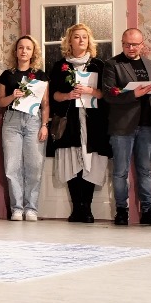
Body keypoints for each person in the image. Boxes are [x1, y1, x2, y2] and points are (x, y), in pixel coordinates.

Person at [100, 29, 151, 226]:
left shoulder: (150, 64)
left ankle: (148, 211)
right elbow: (108, 95)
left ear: (142, 45)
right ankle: (122, 211)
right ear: (122, 44)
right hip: (122, 126)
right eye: (127, 44)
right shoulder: (112, 64)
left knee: (145, 170)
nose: (130, 48)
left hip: (148, 125)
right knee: (120, 172)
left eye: (134, 44)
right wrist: (133, 94)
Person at [48, 24, 111, 222]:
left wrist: (90, 91)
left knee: (91, 164)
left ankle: (87, 209)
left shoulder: (98, 65)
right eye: (76, 37)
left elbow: (107, 94)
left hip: (93, 123)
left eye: (84, 36)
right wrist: (68, 95)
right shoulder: (60, 66)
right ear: (70, 41)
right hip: (70, 122)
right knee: (72, 163)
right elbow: (53, 95)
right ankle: (77, 209)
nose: (81, 40)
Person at [0, 36, 49, 221]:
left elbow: (45, 104)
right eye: (21, 48)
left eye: (28, 48)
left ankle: (31, 208)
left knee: (35, 165)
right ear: (16, 51)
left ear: (33, 52)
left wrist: (44, 125)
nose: (24, 51)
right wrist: (13, 96)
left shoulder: (40, 75)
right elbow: (1, 102)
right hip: (12, 120)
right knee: (12, 166)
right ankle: (17, 208)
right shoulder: (7, 75)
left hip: (34, 120)